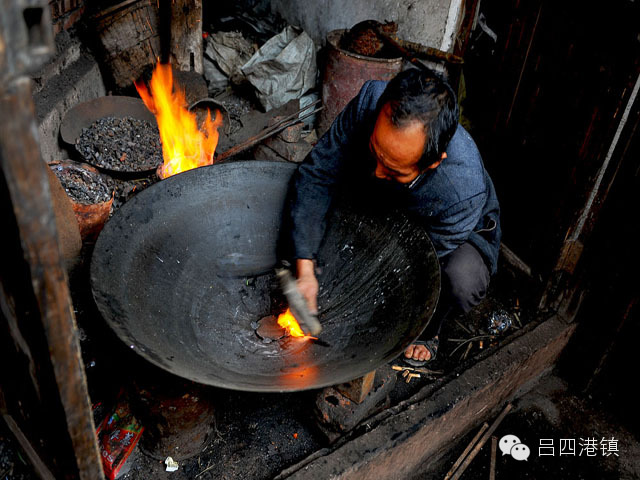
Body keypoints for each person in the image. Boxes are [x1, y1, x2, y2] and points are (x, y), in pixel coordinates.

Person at [289, 68, 501, 364]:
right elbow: (318, 173)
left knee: (458, 278)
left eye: (393, 168)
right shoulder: (371, 100)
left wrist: (356, 295)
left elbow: (417, 263)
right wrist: (305, 267)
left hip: (443, 232)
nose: (378, 171)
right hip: (386, 198)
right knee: (323, 223)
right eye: (377, 151)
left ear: (433, 163)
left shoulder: (461, 194)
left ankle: (429, 332)